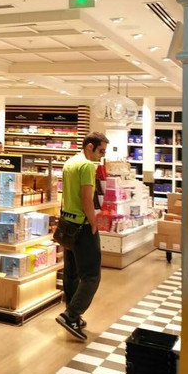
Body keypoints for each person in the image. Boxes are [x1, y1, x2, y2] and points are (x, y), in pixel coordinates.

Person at [56, 131, 109, 341]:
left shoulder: (70, 163)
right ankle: (71, 315)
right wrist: (94, 222)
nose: (101, 156)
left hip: (67, 223)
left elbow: (66, 195)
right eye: (101, 151)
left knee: (71, 272)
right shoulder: (87, 166)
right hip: (82, 225)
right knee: (91, 275)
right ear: (90, 146)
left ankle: (71, 311)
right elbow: (87, 198)